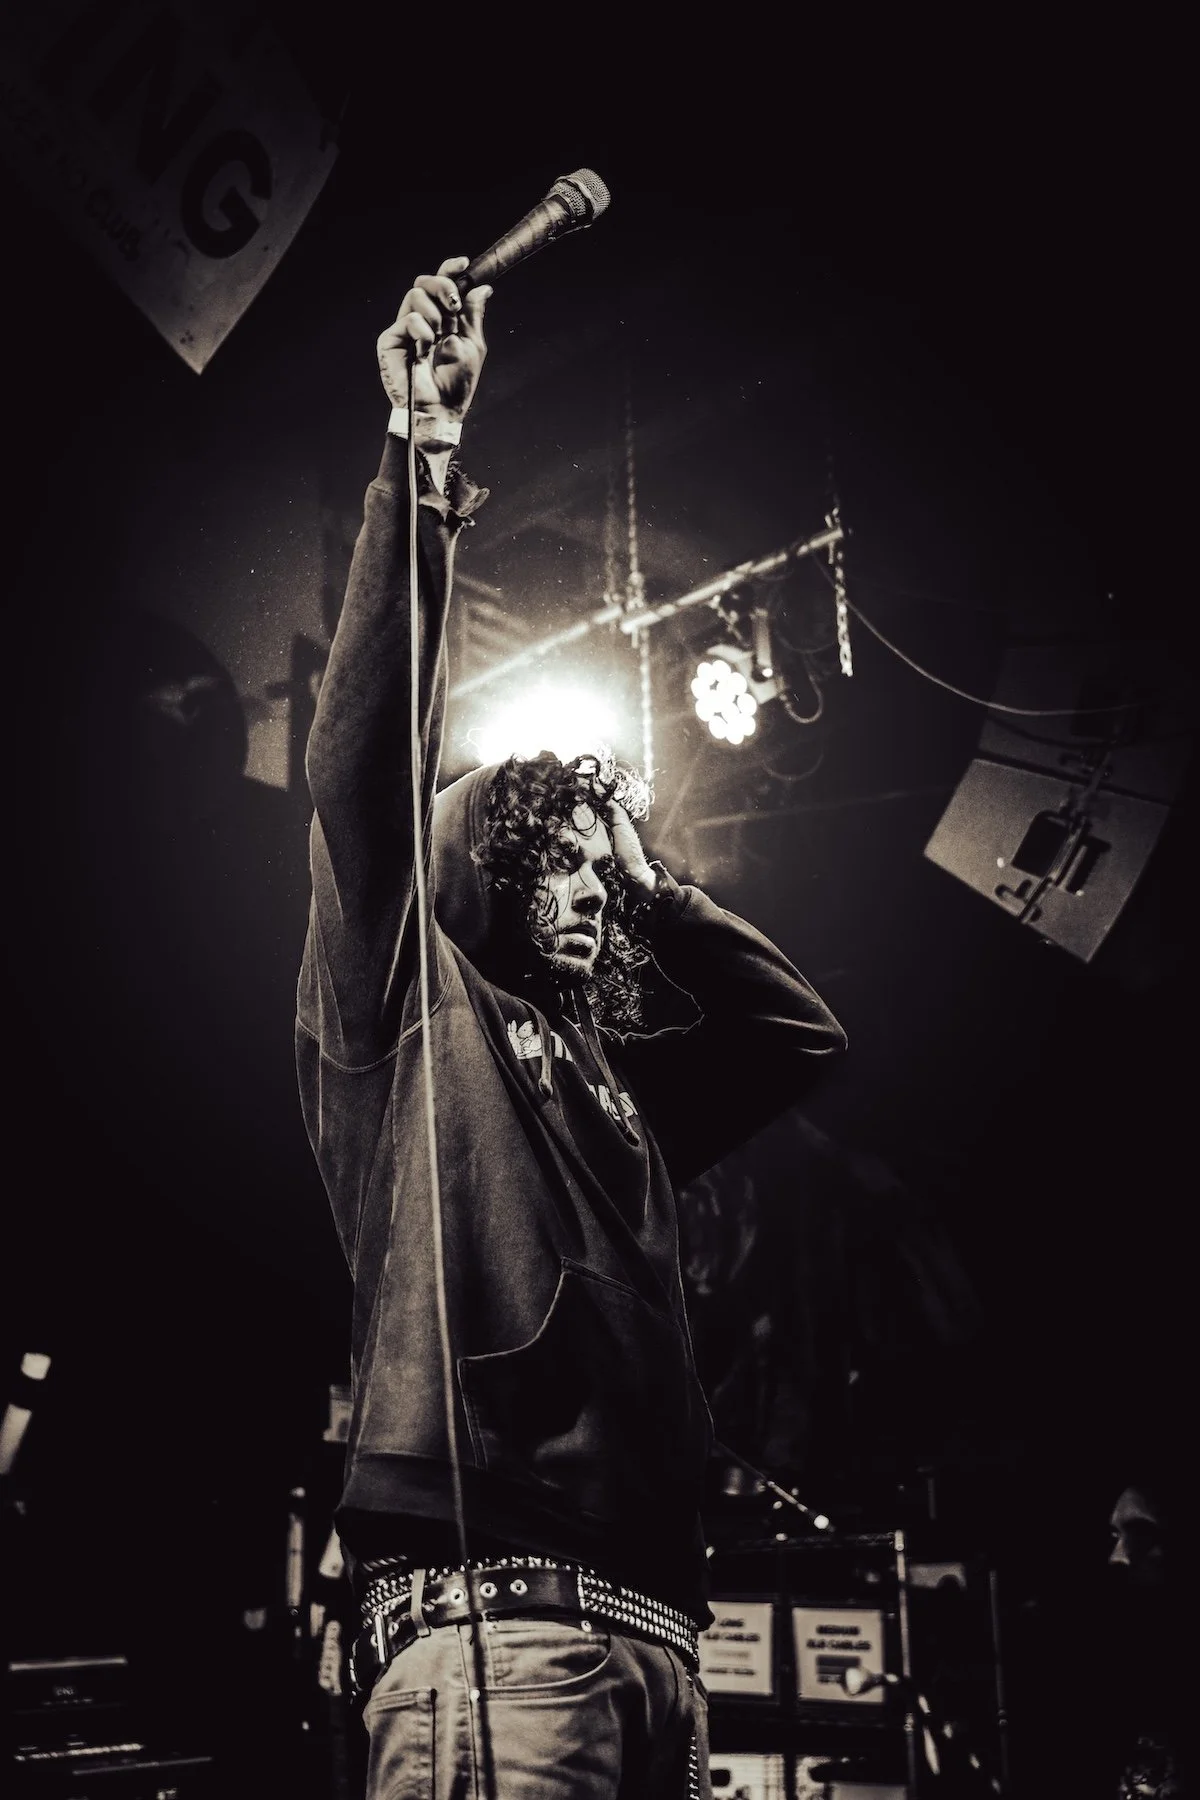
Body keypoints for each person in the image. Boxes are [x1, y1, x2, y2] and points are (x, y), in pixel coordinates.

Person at [296, 253, 847, 1799]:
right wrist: (423, 455)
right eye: (564, 862)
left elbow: (796, 1032)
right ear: (483, 860)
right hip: (501, 1639)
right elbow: (359, 776)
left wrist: (639, 856)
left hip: (660, 1644)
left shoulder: (616, 1093)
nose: (598, 890)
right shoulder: (408, 1004)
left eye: (612, 876)